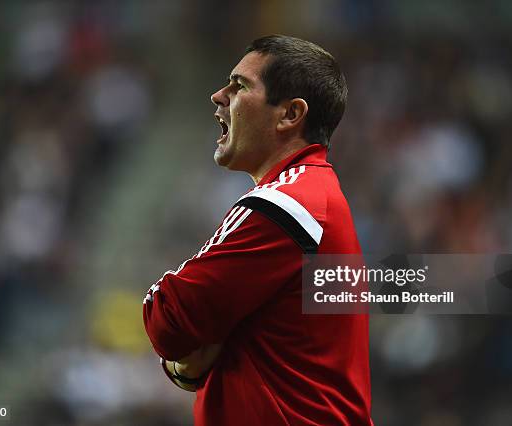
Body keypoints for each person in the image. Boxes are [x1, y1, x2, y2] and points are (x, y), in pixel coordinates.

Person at [143, 35, 373, 425]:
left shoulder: (285, 204)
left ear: (289, 115)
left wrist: (188, 358)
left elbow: (168, 319)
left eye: (240, 85)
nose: (219, 95)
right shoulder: (317, 196)